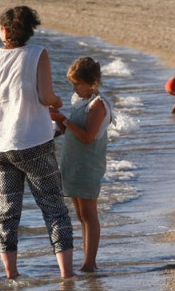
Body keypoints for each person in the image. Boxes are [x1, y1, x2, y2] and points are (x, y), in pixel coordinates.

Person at [0, 6, 74, 279]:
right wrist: (57, 101)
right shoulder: (38, 54)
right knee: (54, 209)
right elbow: (46, 97)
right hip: (33, 141)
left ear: (6, 31)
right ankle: (66, 275)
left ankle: (11, 274)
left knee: (7, 213)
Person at [50, 57, 112, 273]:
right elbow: (71, 132)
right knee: (80, 214)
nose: (75, 88)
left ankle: (90, 262)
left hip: (88, 163)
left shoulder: (98, 105)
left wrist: (65, 120)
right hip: (73, 163)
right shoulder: (80, 102)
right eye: (73, 83)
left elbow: (87, 136)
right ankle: (88, 260)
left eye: (78, 83)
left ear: (92, 82)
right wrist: (59, 120)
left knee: (89, 214)